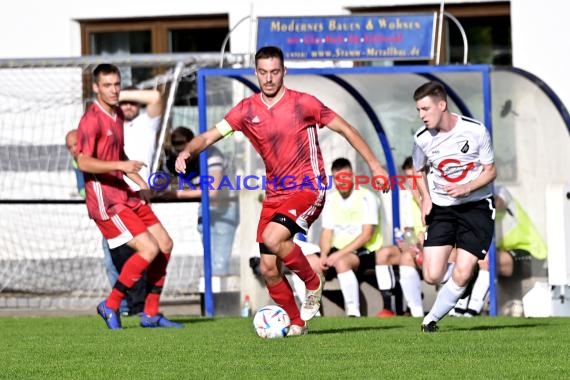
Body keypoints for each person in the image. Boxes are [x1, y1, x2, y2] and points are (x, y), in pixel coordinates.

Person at [175, 46, 389, 335]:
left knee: (273, 238)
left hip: (308, 187)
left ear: (284, 72)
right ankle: (296, 322)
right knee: (268, 268)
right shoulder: (246, 110)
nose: (269, 78)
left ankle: (312, 280)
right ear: (256, 73)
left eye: (275, 72)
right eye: (263, 72)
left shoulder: (304, 104)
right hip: (275, 193)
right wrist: (188, 151)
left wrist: (375, 165)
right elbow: (209, 135)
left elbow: (346, 129)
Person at [76, 63, 181, 330]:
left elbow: (117, 155)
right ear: (96, 88)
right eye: (107, 85)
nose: (114, 90)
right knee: (149, 248)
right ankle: (110, 305)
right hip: (106, 201)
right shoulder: (91, 119)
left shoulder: (117, 115)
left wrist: (139, 181)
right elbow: (84, 162)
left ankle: (151, 313)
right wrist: (121, 168)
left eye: (117, 84)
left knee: (165, 244)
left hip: (126, 193)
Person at [411, 81, 496, 332]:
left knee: (462, 272)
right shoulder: (422, 139)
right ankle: (456, 288)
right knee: (432, 275)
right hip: (443, 208)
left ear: (442, 104)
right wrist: (425, 197)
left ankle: (431, 319)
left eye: (425, 109)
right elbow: (417, 171)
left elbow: (490, 171)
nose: (422, 115)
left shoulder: (476, 131)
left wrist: (466, 188)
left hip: (476, 206)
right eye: (418, 110)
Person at [294, 158, 397, 318]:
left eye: (345, 177)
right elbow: (327, 232)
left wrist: (337, 255)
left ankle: (353, 313)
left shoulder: (367, 197)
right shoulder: (331, 200)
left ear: (353, 176)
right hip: (336, 253)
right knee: (302, 262)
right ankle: (311, 314)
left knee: (342, 262)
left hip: (365, 252)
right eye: (337, 178)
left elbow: (366, 235)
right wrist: (324, 256)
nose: (341, 182)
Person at [452, 185, 548, 316]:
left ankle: (472, 311)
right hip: (506, 253)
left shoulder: (500, 191)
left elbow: (497, 204)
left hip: (532, 253)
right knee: (461, 255)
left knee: (486, 260)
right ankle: (458, 309)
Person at [160, 126, 239, 276]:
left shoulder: (211, 155)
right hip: (206, 207)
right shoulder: (174, 161)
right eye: (176, 145)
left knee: (219, 264)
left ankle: (217, 296)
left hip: (225, 207)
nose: (179, 150)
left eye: (183, 146)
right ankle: (211, 294)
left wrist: (177, 194)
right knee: (210, 262)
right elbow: (163, 181)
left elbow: (213, 190)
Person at [375, 156, 426, 318]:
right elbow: (408, 229)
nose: (412, 184)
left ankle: (460, 309)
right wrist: (412, 244)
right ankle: (390, 308)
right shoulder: (407, 199)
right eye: (409, 179)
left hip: (437, 247)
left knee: (407, 258)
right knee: (384, 254)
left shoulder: (436, 196)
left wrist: (423, 239)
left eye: (415, 178)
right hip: (418, 248)